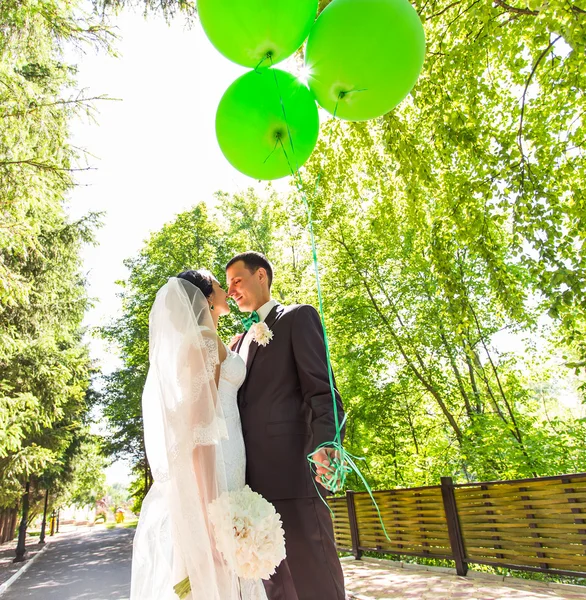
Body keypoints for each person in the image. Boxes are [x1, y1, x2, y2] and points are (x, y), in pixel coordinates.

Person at [130, 270, 268, 600]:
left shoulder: (209, 337)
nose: (226, 290)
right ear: (207, 298)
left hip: (231, 452)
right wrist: (209, 517)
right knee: (221, 557)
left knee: (233, 566)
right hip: (220, 455)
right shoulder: (203, 341)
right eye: (220, 286)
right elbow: (201, 430)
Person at [226, 251, 346, 600]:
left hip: (296, 476)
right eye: (228, 284)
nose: (232, 290)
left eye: (237, 280)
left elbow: (323, 390)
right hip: (252, 487)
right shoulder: (236, 342)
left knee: (315, 579)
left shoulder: (297, 318)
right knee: (276, 588)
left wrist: (326, 445)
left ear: (261, 275)